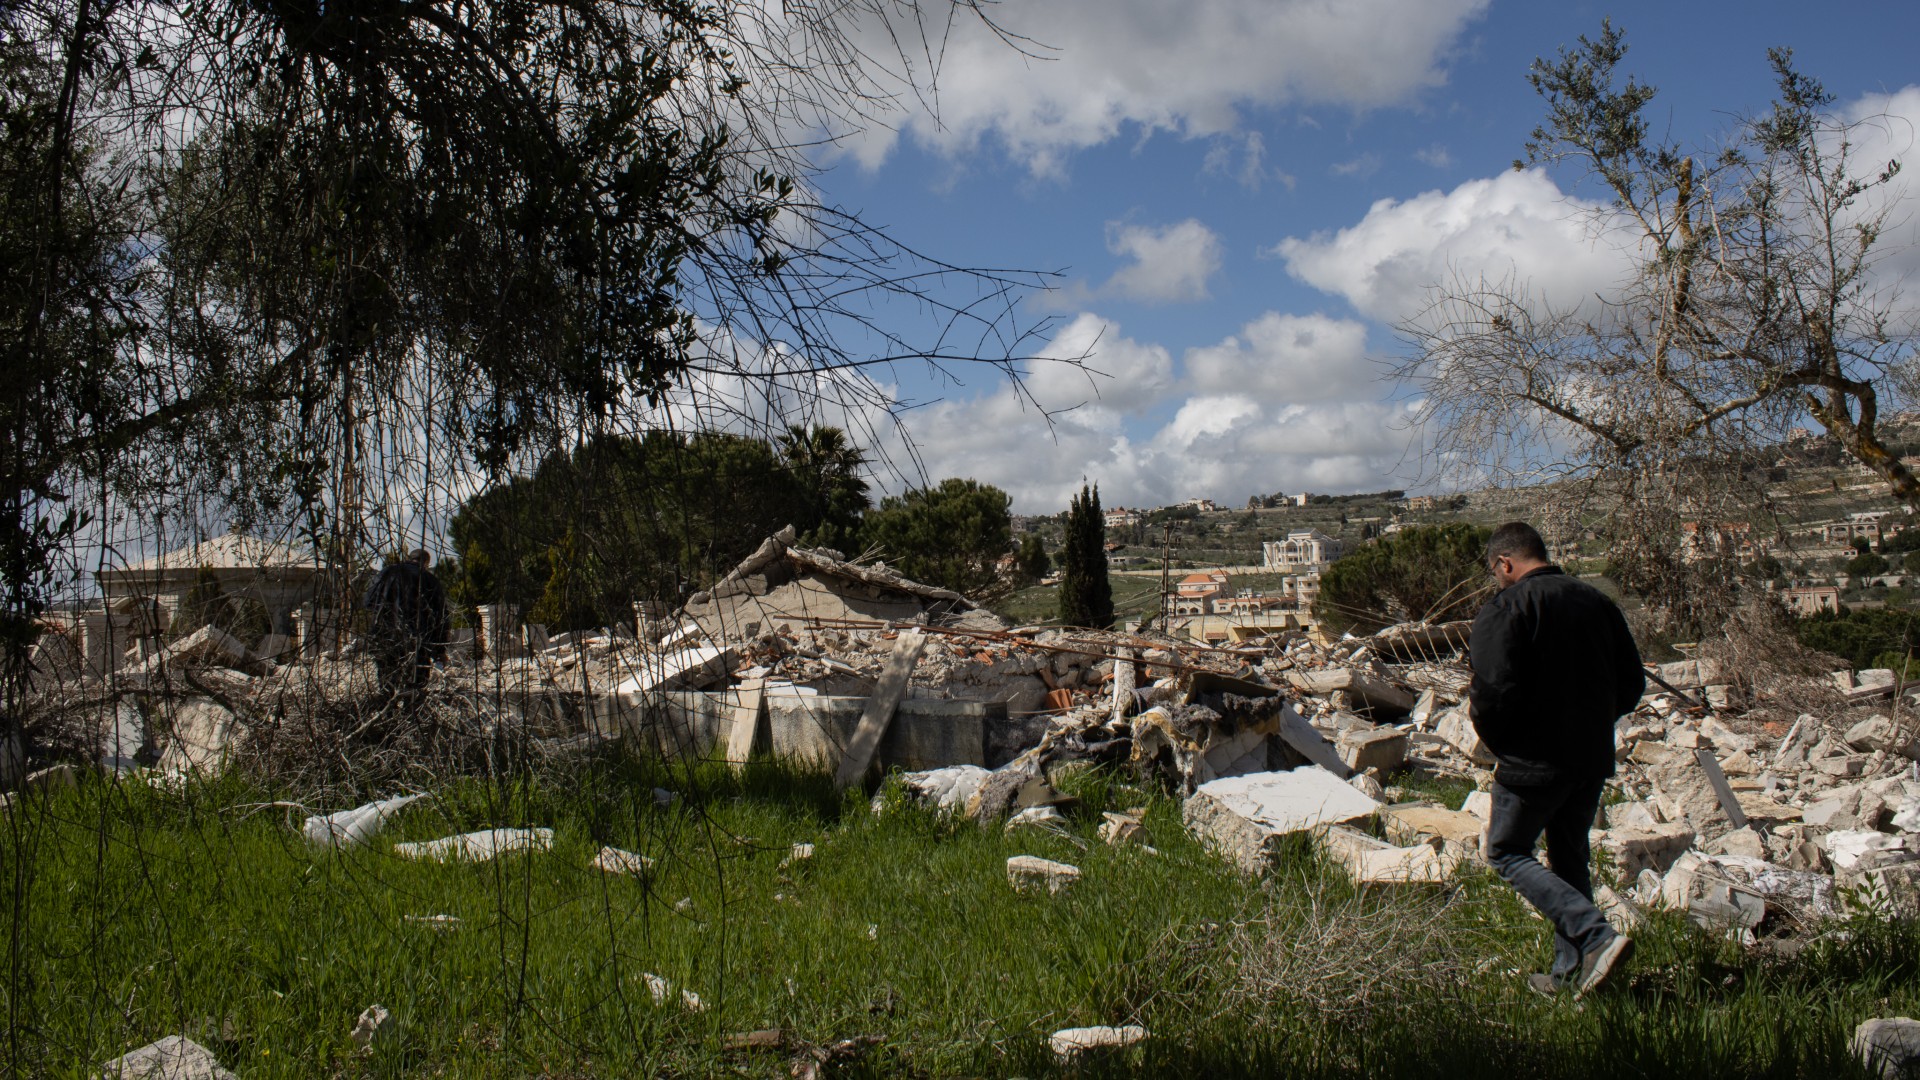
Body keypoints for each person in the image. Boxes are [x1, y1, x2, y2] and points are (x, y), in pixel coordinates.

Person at [1469, 521, 1645, 998]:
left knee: (1506, 852)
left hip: (1532, 759)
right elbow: (1632, 684)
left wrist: (1503, 743)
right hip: (1589, 756)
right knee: (1570, 857)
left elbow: (1491, 692)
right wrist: (1591, 723)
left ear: (1505, 563)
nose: (1497, 578)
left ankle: (1595, 936)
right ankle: (1573, 975)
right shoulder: (1598, 602)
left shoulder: (1507, 606)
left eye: (1496, 571)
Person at [361, 548, 450, 695]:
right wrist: (439, 650)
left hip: (385, 637)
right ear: (426, 563)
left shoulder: (386, 573)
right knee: (416, 686)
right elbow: (440, 617)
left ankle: (388, 713)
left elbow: (368, 602)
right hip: (417, 642)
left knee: (387, 683)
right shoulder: (429, 579)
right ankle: (410, 714)